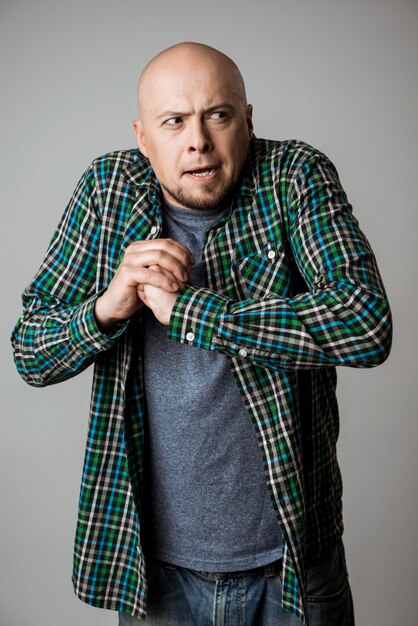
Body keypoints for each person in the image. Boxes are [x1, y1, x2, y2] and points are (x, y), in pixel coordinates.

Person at [11, 42, 392, 626]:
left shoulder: (294, 176)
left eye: (218, 114)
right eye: (174, 121)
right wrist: (107, 307)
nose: (198, 141)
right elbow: (30, 352)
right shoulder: (108, 190)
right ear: (143, 137)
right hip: (157, 575)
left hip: (292, 566)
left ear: (247, 120)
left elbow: (365, 322)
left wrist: (195, 312)